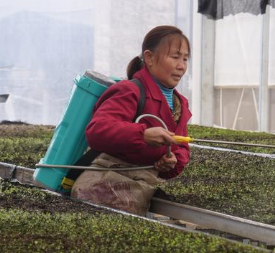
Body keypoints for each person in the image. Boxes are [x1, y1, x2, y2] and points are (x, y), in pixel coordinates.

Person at [71, 25, 191, 216]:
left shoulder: (179, 105)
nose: (181, 65)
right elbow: (97, 130)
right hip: (102, 187)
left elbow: (181, 147)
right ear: (150, 58)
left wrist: (172, 161)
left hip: (139, 188)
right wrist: (142, 135)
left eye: (185, 59)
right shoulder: (130, 90)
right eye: (175, 57)